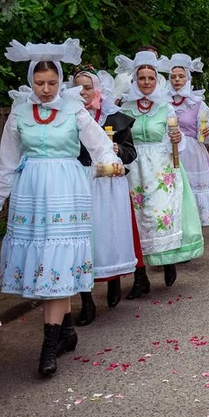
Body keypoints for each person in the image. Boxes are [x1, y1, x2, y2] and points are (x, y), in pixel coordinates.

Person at [0, 39, 121, 377]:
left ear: (60, 81)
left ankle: (49, 347)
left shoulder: (73, 108)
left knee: (57, 262)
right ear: (31, 81)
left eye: (51, 83)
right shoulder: (19, 111)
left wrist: (112, 161)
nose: (46, 90)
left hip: (66, 190)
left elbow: (99, 143)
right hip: (30, 191)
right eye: (39, 83)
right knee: (43, 264)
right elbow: (7, 160)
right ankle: (65, 332)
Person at [116, 50, 205, 297]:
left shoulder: (165, 107)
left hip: (161, 168)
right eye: (141, 78)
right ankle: (140, 277)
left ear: (157, 81)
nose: (146, 82)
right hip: (133, 169)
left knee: (159, 217)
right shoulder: (125, 107)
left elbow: (175, 140)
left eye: (151, 78)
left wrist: (176, 139)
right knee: (136, 221)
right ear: (135, 80)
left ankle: (167, 261)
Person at [71, 66, 138, 326]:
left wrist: (116, 149)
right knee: (83, 239)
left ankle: (113, 279)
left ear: (98, 90)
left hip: (109, 184)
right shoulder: (67, 116)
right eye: (78, 87)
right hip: (79, 182)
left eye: (88, 87)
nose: (83, 93)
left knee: (108, 235)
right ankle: (86, 300)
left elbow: (131, 153)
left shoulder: (113, 117)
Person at [166, 54, 209, 226]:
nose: (177, 80)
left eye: (181, 76)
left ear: (188, 78)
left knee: (191, 188)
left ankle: (194, 225)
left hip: (192, 153)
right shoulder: (162, 103)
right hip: (168, 152)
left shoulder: (197, 103)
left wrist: (206, 131)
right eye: (173, 77)